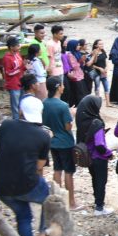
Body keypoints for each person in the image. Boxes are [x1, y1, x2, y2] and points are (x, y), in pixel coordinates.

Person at [0, 97, 50, 236]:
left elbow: (0, 148)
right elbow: (39, 166)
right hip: (26, 183)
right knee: (51, 200)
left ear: (21, 111)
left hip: (0, 184)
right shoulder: (43, 135)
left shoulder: (6, 125)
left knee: (23, 215)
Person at [42, 76, 80, 210]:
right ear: (58, 87)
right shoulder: (63, 106)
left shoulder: (44, 103)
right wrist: (72, 114)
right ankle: (71, 203)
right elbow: (68, 127)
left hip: (52, 141)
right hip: (65, 142)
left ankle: (58, 200)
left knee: (57, 169)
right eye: (62, 85)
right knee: (69, 172)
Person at [77, 95, 115, 216]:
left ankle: (97, 201)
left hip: (88, 157)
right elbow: (99, 144)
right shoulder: (96, 123)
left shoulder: (82, 120)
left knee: (94, 179)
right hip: (99, 157)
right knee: (101, 181)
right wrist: (109, 154)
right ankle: (99, 207)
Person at [3, 36, 24, 119]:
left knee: (21, 104)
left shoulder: (18, 54)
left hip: (21, 82)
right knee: (15, 106)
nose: (19, 47)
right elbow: (8, 72)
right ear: (11, 47)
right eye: (17, 45)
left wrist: (25, 66)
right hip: (13, 84)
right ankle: (16, 122)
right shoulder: (7, 58)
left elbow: (21, 67)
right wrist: (21, 68)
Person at [88, 40, 111, 106]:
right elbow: (91, 64)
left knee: (106, 86)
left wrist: (106, 67)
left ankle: (108, 103)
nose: (102, 45)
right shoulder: (93, 52)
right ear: (96, 45)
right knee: (97, 87)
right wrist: (99, 68)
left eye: (102, 44)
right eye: (100, 44)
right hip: (97, 73)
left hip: (104, 72)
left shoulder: (103, 51)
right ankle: (97, 103)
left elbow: (105, 61)